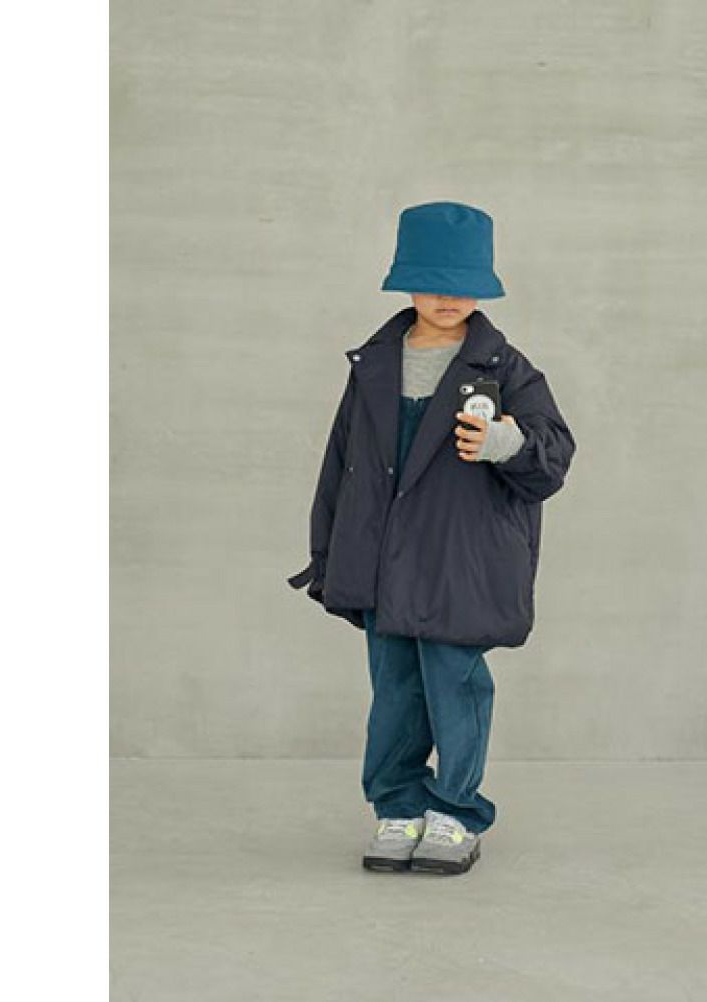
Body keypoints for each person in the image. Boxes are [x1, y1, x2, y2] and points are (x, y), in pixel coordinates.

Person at [287, 201, 576, 875]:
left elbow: (553, 455)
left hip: (458, 561)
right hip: (384, 563)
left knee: (456, 687)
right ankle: (398, 807)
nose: (448, 298)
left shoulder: (505, 367)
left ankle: (455, 813)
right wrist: (328, 554)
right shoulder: (374, 365)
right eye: (431, 282)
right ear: (404, 281)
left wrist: (506, 442)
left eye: (463, 285)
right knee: (394, 693)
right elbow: (341, 464)